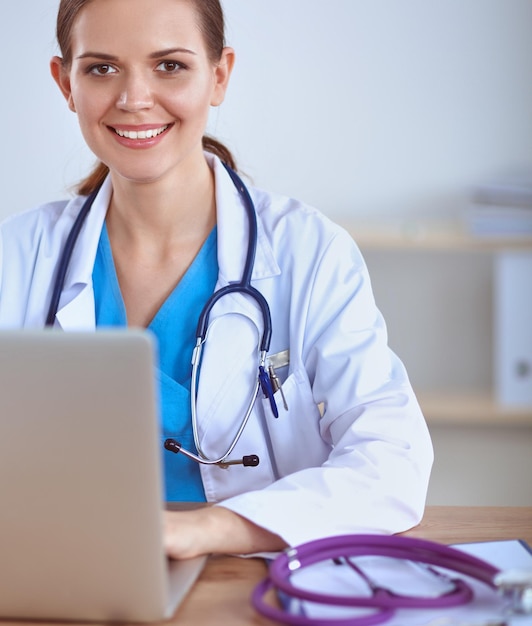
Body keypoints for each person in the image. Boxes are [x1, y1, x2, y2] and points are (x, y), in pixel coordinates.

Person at [0, 0, 433, 559]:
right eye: (102, 68)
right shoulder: (16, 256)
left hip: (255, 581)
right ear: (66, 83)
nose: (133, 99)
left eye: (170, 66)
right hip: (65, 577)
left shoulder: (308, 252)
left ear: (219, 75)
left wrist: (202, 532)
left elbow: (392, 459)